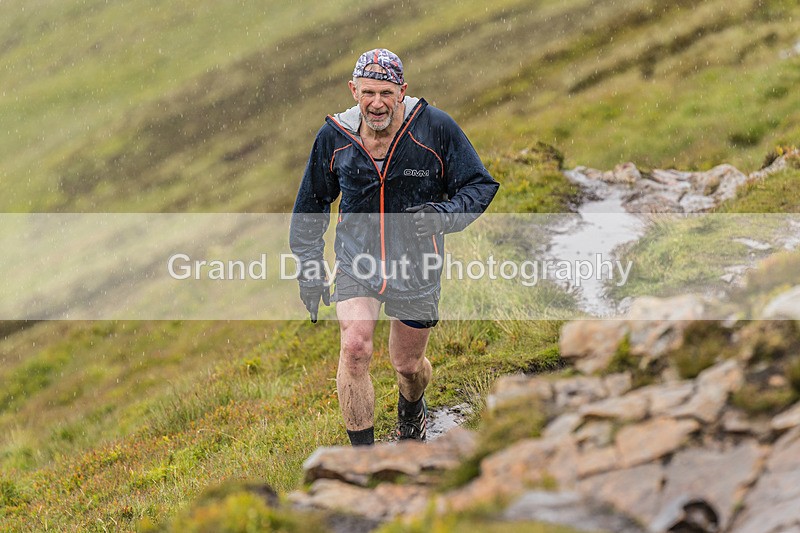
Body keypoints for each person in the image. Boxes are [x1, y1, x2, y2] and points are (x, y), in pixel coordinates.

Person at [290, 48, 498, 446]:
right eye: (368, 92)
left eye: (386, 92)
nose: (377, 103)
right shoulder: (335, 136)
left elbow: (479, 186)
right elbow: (310, 208)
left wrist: (442, 214)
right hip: (357, 261)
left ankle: (411, 410)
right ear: (353, 90)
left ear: (402, 90)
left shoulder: (434, 129)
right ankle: (365, 463)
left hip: (417, 266)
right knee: (354, 347)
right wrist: (309, 271)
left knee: (408, 366)